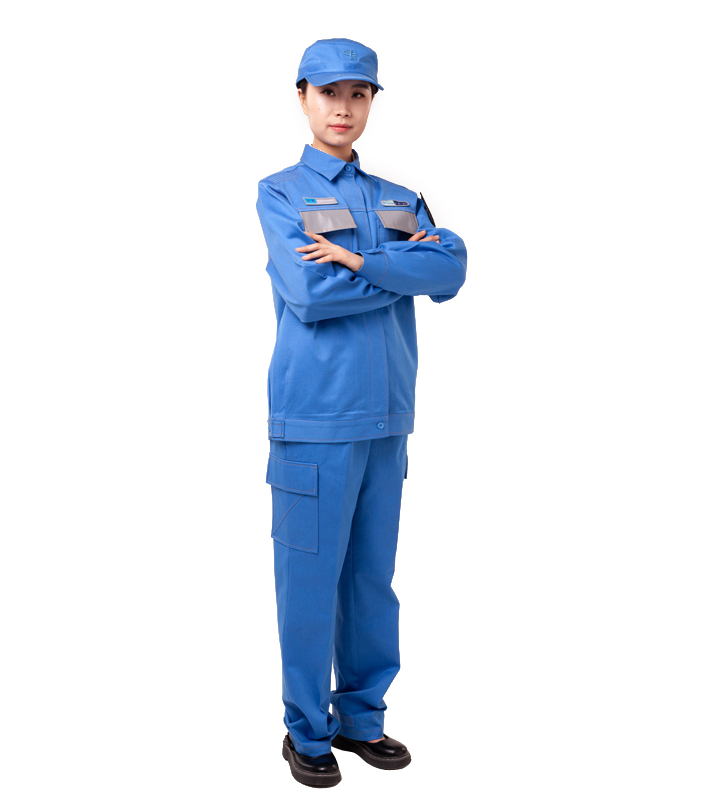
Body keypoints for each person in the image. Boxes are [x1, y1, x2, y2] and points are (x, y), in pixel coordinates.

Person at [255, 37, 468, 788]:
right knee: (310, 585)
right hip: (314, 420)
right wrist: (397, 271)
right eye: (329, 93)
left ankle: (361, 719)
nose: (343, 108)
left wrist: (356, 259)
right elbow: (309, 295)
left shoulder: (399, 199)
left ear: (372, 101)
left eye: (359, 93)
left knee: (372, 582)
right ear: (302, 97)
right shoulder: (280, 193)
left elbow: (450, 269)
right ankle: (306, 731)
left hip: (387, 421)